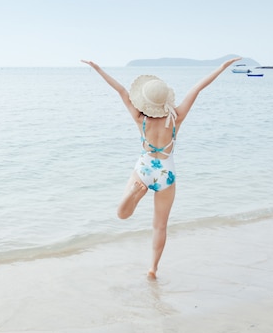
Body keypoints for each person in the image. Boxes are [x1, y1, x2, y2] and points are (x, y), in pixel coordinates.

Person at [81, 56, 242, 279]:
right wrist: (223, 67)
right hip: (167, 173)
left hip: (145, 168)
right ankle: (153, 268)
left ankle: (135, 193)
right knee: (160, 226)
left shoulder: (140, 118)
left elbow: (120, 90)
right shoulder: (177, 117)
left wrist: (98, 69)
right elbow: (198, 88)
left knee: (123, 214)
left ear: (146, 101)